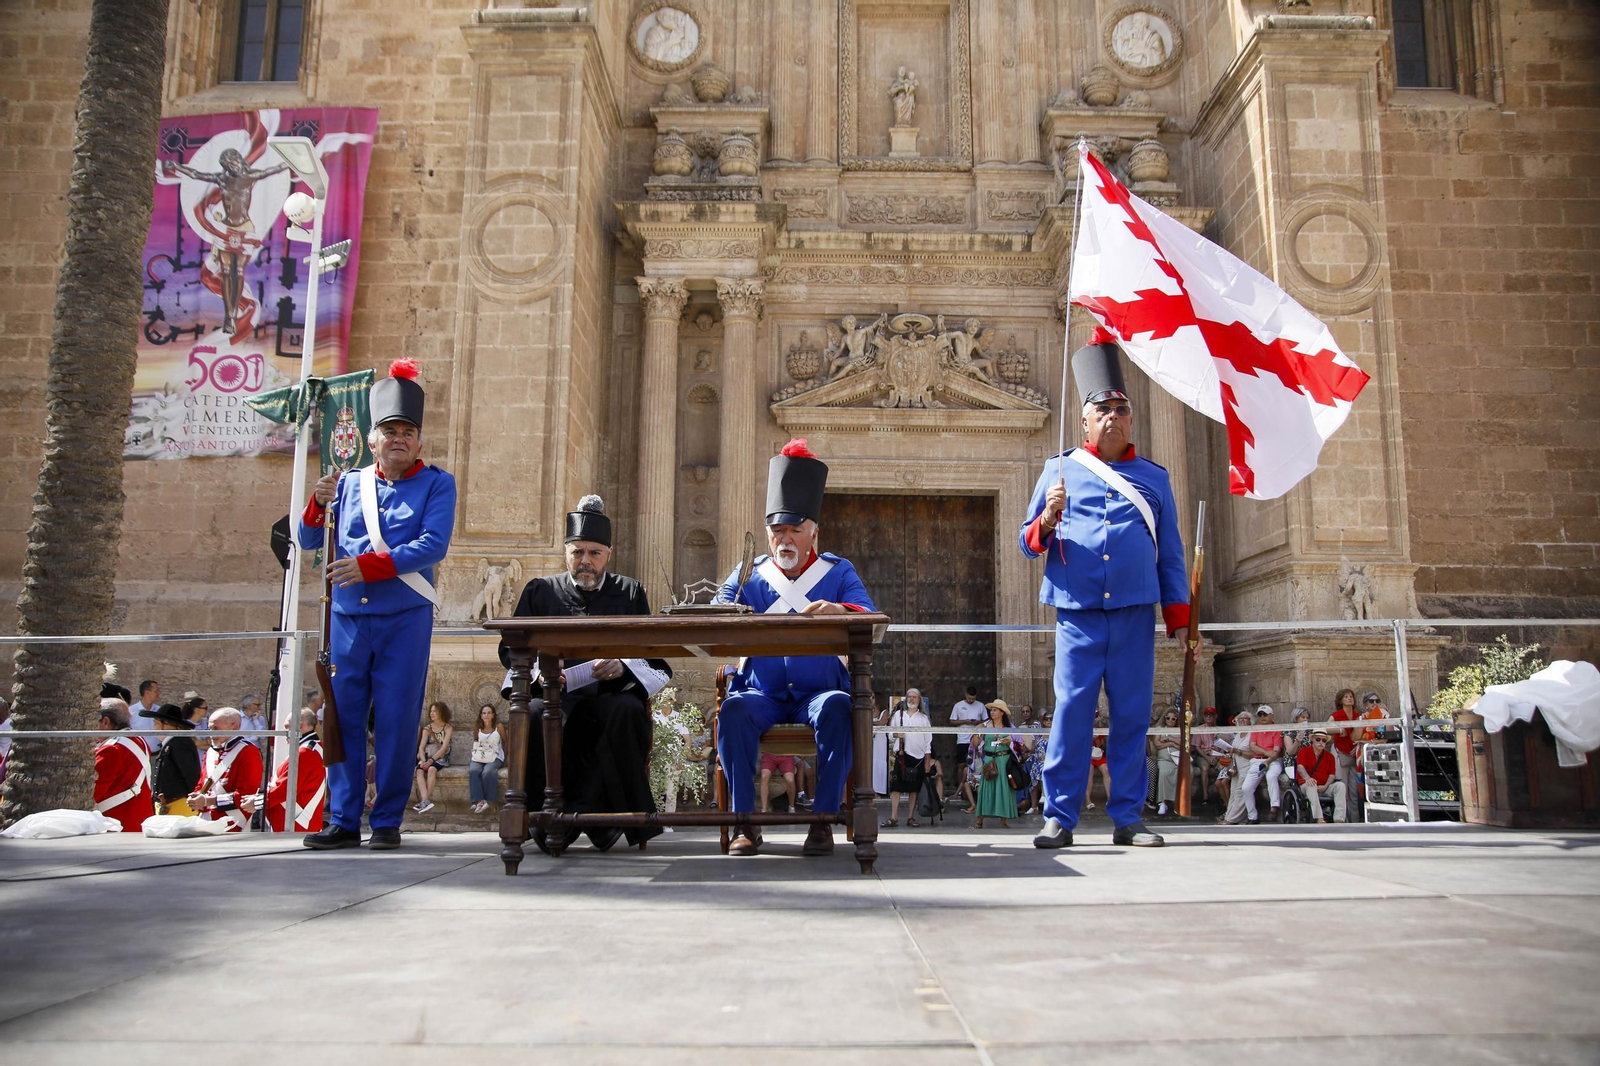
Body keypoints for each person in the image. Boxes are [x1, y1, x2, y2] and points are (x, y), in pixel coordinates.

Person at [1021, 337, 1194, 849]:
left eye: (1121, 409)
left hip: (1136, 612)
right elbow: (1028, 544)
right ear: (1085, 420)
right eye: (1103, 409)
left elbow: (1172, 555)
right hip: (1078, 613)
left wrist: (1182, 622)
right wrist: (1049, 518)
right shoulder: (1058, 469)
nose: (1113, 417)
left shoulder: (1154, 479)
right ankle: (1059, 817)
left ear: (1131, 419)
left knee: (1132, 714)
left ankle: (1128, 818)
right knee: (1073, 711)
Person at [298, 359, 457, 852]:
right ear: (373, 440)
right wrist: (316, 504)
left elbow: (433, 545)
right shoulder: (347, 484)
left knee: (395, 718)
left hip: (404, 618)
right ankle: (342, 819)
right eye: (390, 431)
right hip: (348, 619)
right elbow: (307, 539)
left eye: (407, 432)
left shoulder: (436, 483)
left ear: (419, 441)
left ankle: (387, 819)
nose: (399, 439)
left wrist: (369, 566)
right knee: (342, 719)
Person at [712, 439, 874, 857]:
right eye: (777, 530)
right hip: (761, 693)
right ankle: (745, 822)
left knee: (842, 706)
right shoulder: (750, 572)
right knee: (732, 710)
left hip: (817, 693)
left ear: (813, 531)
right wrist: (731, 611)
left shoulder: (838, 571)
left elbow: (870, 615)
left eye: (794, 530)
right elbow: (715, 609)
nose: (784, 539)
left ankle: (821, 821)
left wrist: (840, 609)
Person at [497, 494, 671, 853]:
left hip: (610, 695)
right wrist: (544, 672)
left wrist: (621, 665)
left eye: (594, 553)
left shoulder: (630, 592)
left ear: (608, 553)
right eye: (577, 552)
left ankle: (607, 819)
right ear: (566, 553)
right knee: (531, 715)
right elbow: (510, 649)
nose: (585, 562)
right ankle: (544, 821)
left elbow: (652, 656)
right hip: (554, 694)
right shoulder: (540, 591)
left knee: (625, 712)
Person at [187, 708, 263, 833]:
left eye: (215, 729)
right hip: (207, 820)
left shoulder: (248, 751)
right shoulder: (211, 752)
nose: (211, 734)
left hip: (233, 822)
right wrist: (197, 796)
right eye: (210, 729)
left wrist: (208, 801)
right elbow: (203, 784)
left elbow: (246, 795)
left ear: (234, 727)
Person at [251, 709, 326, 833]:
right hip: (297, 821)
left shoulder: (305, 752)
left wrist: (256, 802)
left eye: (287, 727)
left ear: (300, 726)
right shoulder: (311, 748)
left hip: (295, 823)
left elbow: (285, 789)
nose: (284, 732)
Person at [92, 699, 153, 832]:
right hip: (139, 819)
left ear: (106, 722)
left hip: (117, 823)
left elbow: (93, 792)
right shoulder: (139, 740)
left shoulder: (110, 750)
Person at [883, 692, 932, 828]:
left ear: (919, 700)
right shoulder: (898, 715)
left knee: (913, 789)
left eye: (914, 697)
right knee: (896, 787)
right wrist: (895, 734)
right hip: (902, 755)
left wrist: (927, 760)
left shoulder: (923, 718)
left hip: (918, 758)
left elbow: (928, 740)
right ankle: (894, 817)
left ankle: (910, 817)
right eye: (909, 696)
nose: (911, 699)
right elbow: (889, 733)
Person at [143, 703, 201, 815]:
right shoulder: (171, 743)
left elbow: (191, 775)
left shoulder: (180, 743)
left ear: (162, 724)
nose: (154, 727)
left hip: (181, 806)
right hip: (169, 806)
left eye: (155, 723)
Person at [974, 700, 1018, 829]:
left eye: (995, 710)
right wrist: (977, 732)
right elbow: (975, 745)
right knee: (985, 788)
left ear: (1002, 713)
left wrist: (1009, 742)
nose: (992, 712)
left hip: (1003, 759)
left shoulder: (1009, 728)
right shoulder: (985, 725)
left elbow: (1018, 745)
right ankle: (979, 820)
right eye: (991, 710)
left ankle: (1003, 820)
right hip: (989, 759)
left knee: (1003, 788)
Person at [1239, 705, 1286, 823]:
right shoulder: (1256, 728)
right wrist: (1266, 752)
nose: (1262, 717)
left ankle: (1274, 806)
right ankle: (1252, 816)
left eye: (1265, 714)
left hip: (1273, 760)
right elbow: (1252, 746)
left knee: (1271, 776)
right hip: (1257, 760)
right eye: (1260, 715)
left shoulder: (1277, 729)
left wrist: (1268, 760)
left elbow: (1276, 750)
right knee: (1246, 788)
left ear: (1271, 715)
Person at [1295, 728, 1348, 823]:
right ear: (1312, 739)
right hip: (1306, 785)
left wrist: (1325, 786)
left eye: (1324, 740)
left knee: (1341, 786)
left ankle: (1339, 819)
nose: (1321, 742)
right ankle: (1319, 817)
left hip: (1324, 786)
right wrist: (1308, 778)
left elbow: (1332, 775)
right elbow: (1300, 767)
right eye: (1318, 739)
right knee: (1311, 785)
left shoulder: (1330, 756)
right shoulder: (1304, 751)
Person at [412, 701, 453, 814]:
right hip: (426, 757)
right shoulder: (427, 729)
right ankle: (426, 801)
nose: (432, 713)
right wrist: (424, 761)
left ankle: (424, 801)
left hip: (440, 757)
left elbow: (444, 747)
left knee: (432, 769)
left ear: (442, 712)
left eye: (435, 711)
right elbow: (421, 747)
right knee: (419, 771)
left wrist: (431, 761)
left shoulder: (447, 727)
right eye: (431, 711)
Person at [468, 704, 507, 814]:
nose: (486, 715)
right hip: (479, 757)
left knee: (488, 772)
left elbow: (506, 741)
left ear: (493, 715)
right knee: (473, 771)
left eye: (489, 713)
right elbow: (476, 741)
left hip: (495, 756)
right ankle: (478, 801)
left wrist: (506, 759)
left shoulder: (498, 727)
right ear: (481, 715)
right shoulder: (478, 728)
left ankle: (489, 800)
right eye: (484, 713)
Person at [949, 686, 986, 793]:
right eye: (969, 699)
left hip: (976, 740)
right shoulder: (958, 706)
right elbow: (952, 721)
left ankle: (972, 787)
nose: (971, 701)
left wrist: (976, 723)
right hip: (962, 739)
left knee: (976, 764)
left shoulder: (980, 706)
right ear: (966, 695)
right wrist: (964, 721)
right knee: (961, 764)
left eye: (973, 699)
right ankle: (960, 789)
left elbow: (985, 721)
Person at [1148, 708, 1182, 817]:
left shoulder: (1180, 729)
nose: (1170, 720)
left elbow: (1183, 744)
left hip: (1178, 758)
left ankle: (1179, 801)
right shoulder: (1160, 729)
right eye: (1168, 718)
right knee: (1163, 772)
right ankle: (1162, 802)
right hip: (1164, 759)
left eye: (1173, 719)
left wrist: (1168, 738)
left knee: (1186, 771)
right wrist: (1172, 744)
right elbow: (1157, 744)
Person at [1328, 688, 1360, 794]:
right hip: (1341, 751)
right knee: (1343, 786)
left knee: (1354, 788)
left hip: (1354, 752)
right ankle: (1344, 810)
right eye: (1346, 697)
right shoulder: (1336, 715)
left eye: (1351, 696)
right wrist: (1339, 730)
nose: (1349, 698)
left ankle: (1354, 811)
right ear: (1341, 700)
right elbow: (1325, 728)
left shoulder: (1357, 716)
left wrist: (1358, 746)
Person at [1191, 706, 1221, 804]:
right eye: (1206, 715)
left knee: (1225, 769)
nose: (1208, 717)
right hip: (1203, 755)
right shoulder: (1199, 729)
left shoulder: (1220, 729)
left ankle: (1223, 796)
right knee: (1205, 768)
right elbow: (1197, 747)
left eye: (1211, 715)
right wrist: (1207, 758)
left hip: (1217, 755)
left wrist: (1217, 756)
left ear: (1215, 716)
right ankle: (1205, 796)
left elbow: (1223, 745)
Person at [128, 680, 160, 753]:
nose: (158, 694)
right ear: (147, 692)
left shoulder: (159, 711)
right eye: (156, 691)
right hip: (139, 754)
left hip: (157, 754)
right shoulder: (131, 711)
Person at [871, 692, 891, 797]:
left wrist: (869, 722)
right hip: (871, 740)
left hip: (880, 739)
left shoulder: (884, 712)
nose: (871, 699)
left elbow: (881, 723)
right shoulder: (870, 711)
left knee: (879, 761)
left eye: (873, 698)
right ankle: (871, 789)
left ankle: (879, 790)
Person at [239, 693, 268, 761]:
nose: (259, 707)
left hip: (255, 751)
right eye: (257, 705)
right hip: (241, 750)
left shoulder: (260, 719)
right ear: (249, 705)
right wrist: (255, 737)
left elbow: (263, 737)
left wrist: (256, 721)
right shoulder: (237, 718)